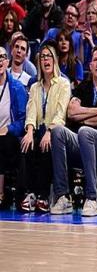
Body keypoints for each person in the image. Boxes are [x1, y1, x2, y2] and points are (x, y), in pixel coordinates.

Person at [50, 45, 97, 217]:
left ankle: (91, 198)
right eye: (95, 60)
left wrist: (83, 118)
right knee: (58, 131)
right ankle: (62, 196)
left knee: (84, 131)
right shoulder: (83, 87)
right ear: (90, 65)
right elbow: (71, 112)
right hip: (81, 139)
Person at [19, 43, 70, 213]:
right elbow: (31, 111)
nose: (45, 60)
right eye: (42, 57)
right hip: (38, 129)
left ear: (55, 60)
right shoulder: (35, 87)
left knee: (47, 144)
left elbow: (61, 114)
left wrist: (49, 131)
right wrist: (29, 131)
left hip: (55, 131)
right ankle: (31, 193)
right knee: (27, 143)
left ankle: (43, 195)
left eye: (49, 56)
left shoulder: (63, 84)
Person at [0, 46, 27, 208]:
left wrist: (8, 129)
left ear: (7, 62)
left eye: (2, 57)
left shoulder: (17, 88)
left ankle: (1, 194)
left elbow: (23, 120)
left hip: (10, 138)